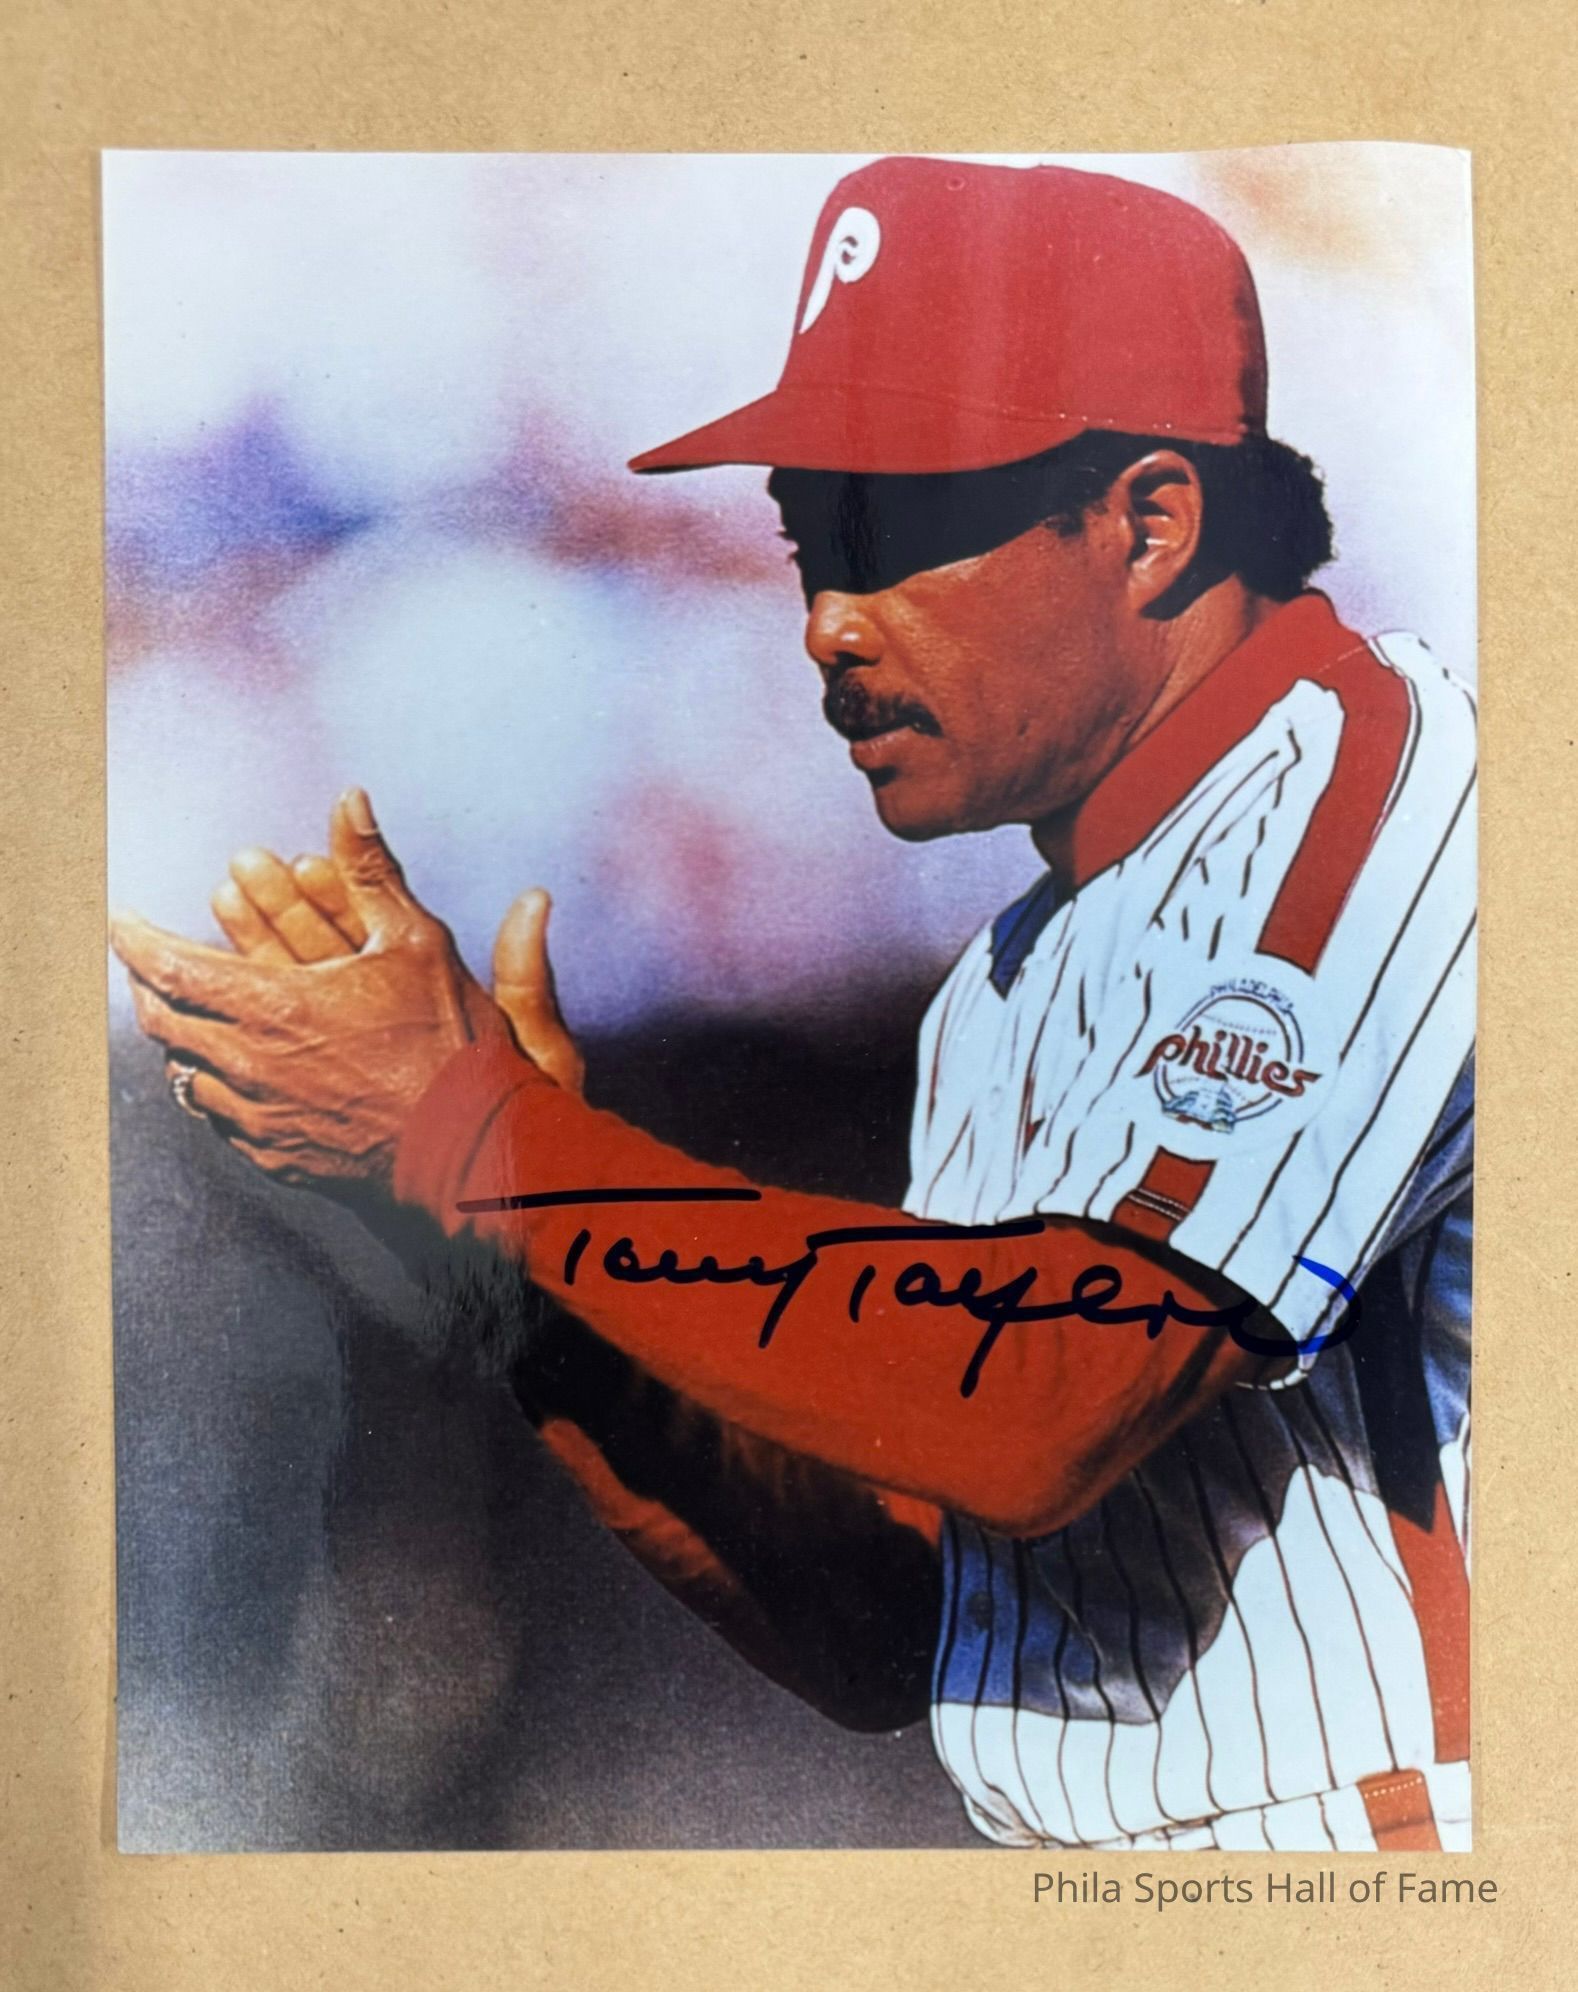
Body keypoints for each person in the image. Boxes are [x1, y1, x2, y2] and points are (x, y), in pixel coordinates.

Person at [112, 155, 1475, 1853]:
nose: (830, 615)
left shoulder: (1365, 835)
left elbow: (1030, 1411)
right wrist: (536, 1293)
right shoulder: (1036, 941)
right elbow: (884, 1621)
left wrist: (504, 1156)